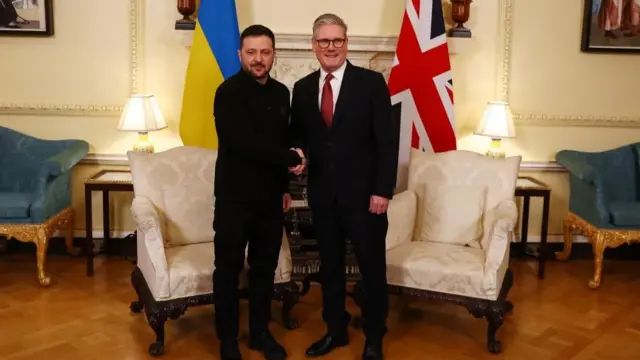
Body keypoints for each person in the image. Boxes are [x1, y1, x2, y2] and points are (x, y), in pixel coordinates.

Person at [288, 13, 398, 360]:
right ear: (314, 46)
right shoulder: (303, 88)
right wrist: (299, 155)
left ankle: (375, 336)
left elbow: (386, 142)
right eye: (324, 41)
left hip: (366, 198)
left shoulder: (371, 83)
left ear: (346, 43)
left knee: (372, 268)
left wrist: (382, 191)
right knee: (330, 268)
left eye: (337, 41)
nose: (331, 47)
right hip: (323, 195)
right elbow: (299, 137)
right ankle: (335, 330)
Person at [212, 24, 304, 360]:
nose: (258, 59)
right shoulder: (227, 92)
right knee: (228, 268)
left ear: (273, 54)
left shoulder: (282, 93)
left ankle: (260, 333)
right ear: (240, 55)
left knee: (264, 269)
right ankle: (227, 339)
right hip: (234, 199)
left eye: (265, 52)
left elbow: (281, 140)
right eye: (251, 52)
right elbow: (243, 144)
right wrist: (289, 157)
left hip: (270, 199)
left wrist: (285, 186)